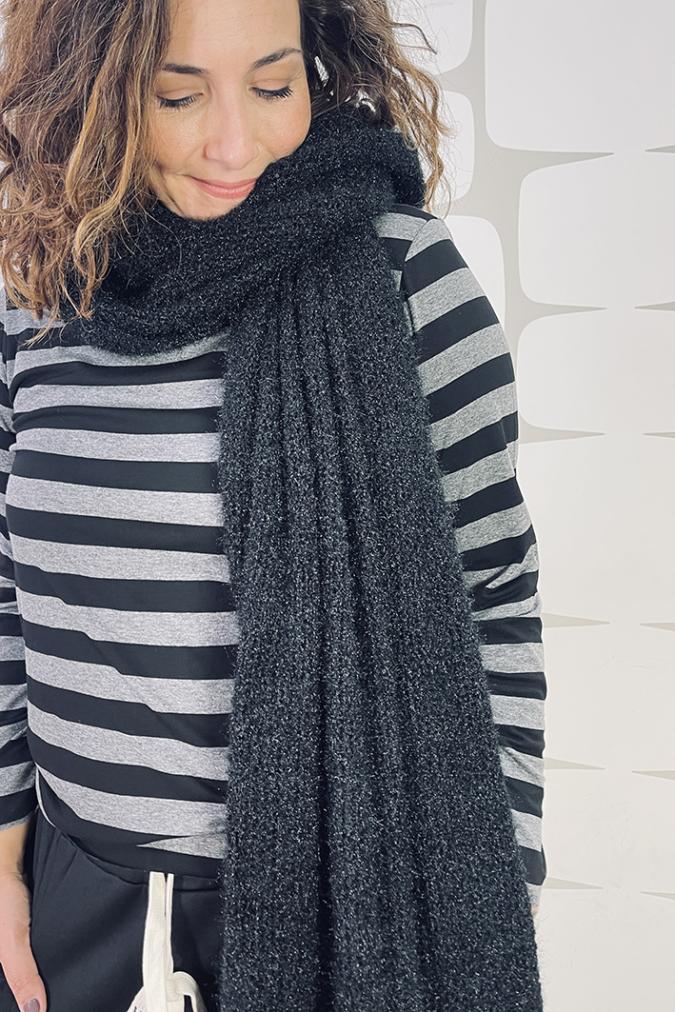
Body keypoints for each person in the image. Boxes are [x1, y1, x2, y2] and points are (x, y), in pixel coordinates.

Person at [0, 1, 547, 1010]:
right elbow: (5, 592)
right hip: (74, 896)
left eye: (271, 85)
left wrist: (492, 889)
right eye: (176, 96)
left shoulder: (403, 275)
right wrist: (0, 853)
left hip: (353, 902)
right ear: (94, 87)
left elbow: (494, 592)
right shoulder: (38, 290)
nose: (233, 143)